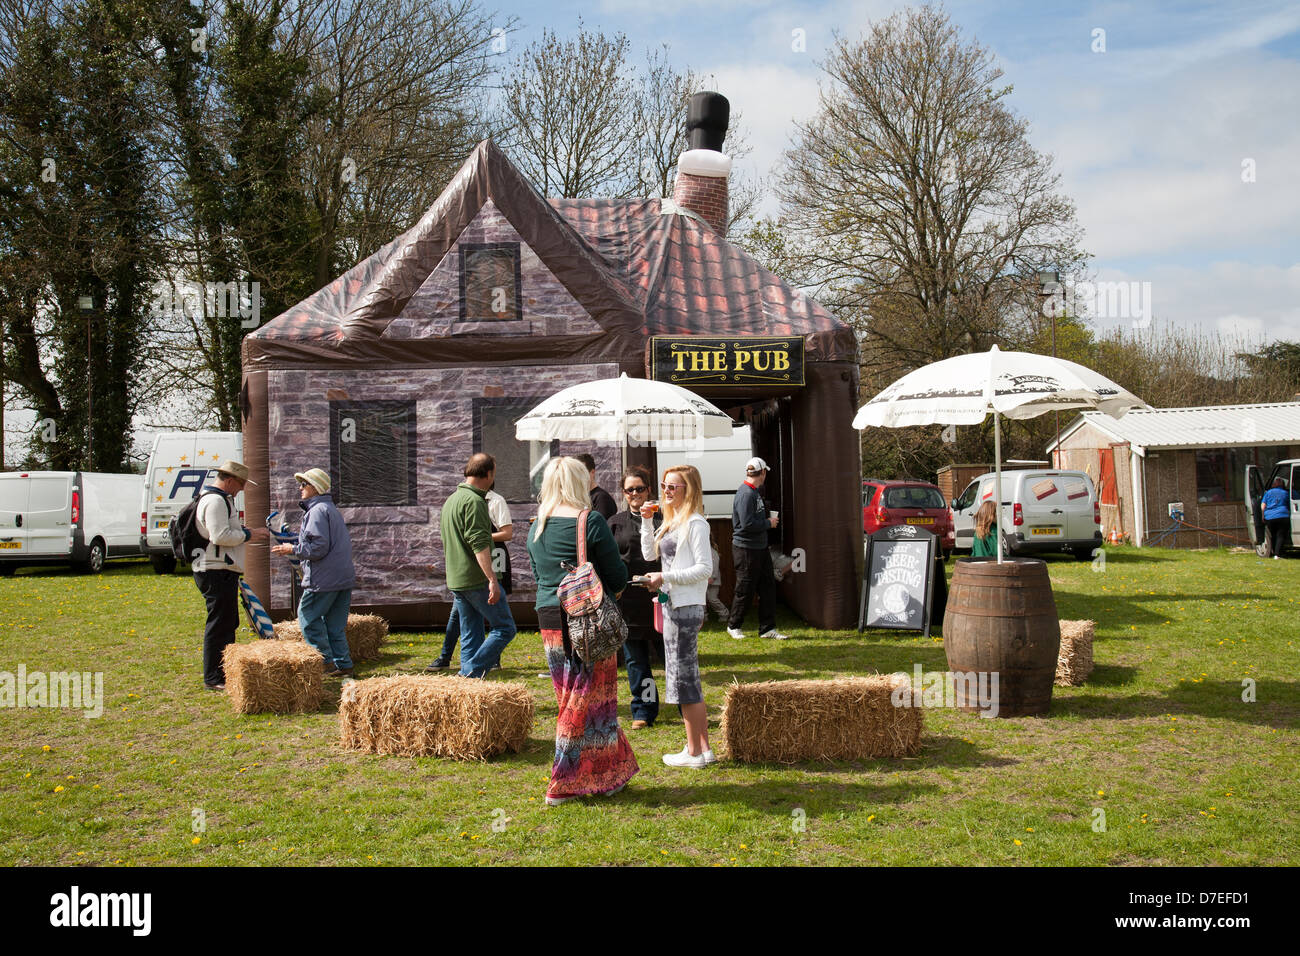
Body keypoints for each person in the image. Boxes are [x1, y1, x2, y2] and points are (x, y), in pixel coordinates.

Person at [526, 457, 637, 805]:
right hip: (585, 621)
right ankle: (564, 784)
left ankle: (609, 775)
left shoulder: (536, 525)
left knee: (579, 699)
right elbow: (617, 576)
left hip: (549, 618)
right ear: (580, 482)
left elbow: (536, 573)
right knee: (585, 701)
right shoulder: (589, 521)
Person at [641, 464, 715, 768]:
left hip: (685, 606)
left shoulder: (696, 523)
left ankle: (694, 752)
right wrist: (646, 522)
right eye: (664, 486)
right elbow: (648, 554)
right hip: (673, 604)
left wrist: (665, 576)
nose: (666, 491)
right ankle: (703, 749)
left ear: (689, 489)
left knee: (684, 679)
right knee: (685, 676)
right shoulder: (671, 521)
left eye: (673, 486)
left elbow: (705, 569)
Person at [271, 468, 356, 677]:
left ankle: (325, 662)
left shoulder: (317, 511)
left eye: (304, 484)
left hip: (324, 579)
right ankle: (344, 666)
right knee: (335, 625)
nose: (300, 488)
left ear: (315, 487)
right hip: (342, 578)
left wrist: (291, 549)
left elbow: (317, 548)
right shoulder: (330, 509)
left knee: (307, 617)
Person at [191, 459, 268, 691]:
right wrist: (249, 534)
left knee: (226, 622)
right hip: (215, 570)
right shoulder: (215, 501)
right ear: (231, 480)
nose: (243, 489)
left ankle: (223, 672)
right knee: (219, 624)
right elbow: (220, 536)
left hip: (220, 569)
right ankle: (214, 677)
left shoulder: (219, 500)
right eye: (242, 483)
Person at [440, 453, 517, 678]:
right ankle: (468, 673)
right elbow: (479, 544)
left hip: (457, 579)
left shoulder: (452, 500)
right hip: (476, 579)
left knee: (470, 635)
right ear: (488, 474)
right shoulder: (474, 501)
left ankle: (468, 687)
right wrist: (492, 579)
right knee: (505, 628)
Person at [607, 465, 661, 728]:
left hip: (661, 598)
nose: (635, 494)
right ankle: (643, 709)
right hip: (628, 600)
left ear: (649, 490)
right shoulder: (615, 522)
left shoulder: (664, 518)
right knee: (636, 660)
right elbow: (607, 559)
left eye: (640, 488)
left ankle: (686, 703)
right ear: (624, 493)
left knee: (672, 657)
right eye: (630, 490)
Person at [726, 457, 788, 641]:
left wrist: (766, 522)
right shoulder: (746, 494)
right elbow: (746, 524)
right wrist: (768, 522)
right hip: (746, 548)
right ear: (763, 473)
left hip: (759, 547)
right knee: (745, 588)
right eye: (765, 472)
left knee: (768, 587)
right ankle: (733, 625)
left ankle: (767, 628)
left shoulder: (753, 492)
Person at [575, 452, 617, 519]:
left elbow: (600, 527)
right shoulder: (578, 497)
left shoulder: (602, 498)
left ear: (592, 472)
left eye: (581, 472)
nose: (578, 476)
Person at [1262, 477, 1290, 559]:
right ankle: (1278, 554)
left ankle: (1273, 552)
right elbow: (1289, 505)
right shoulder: (1285, 493)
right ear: (1283, 484)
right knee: (1280, 535)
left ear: (1274, 484)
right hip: (1282, 515)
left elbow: (1263, 506)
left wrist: (1263, 516)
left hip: (1270, 517)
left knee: (1273, 535)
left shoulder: (1268, 493)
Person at [705, 530, 729, 621]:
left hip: (712, 580)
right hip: (702, 580)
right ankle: (703, 617)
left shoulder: (712, 551)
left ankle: (724, 613)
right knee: (702, 600)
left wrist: (712, 577)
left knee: (712, 599)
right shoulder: (700, 550)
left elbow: (715, 564)